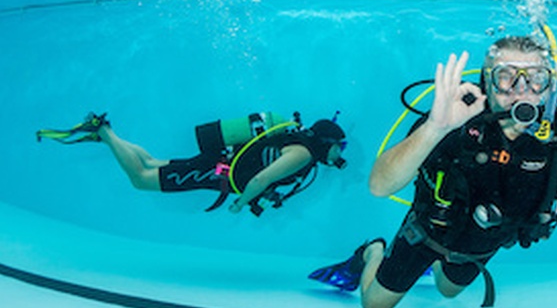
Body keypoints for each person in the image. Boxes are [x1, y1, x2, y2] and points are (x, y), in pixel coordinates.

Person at [309, 35, 557, 308]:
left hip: (485, 241)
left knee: (446, 291)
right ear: (486, 82)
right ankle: (374, 250)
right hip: (428, 232)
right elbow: (379, 185)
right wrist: (435, 127)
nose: (522, 91)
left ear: (550, 86)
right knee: (374, 307)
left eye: (536, 78)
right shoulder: (456, 117)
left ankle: (439, 267)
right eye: (506, 77)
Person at [37, 111, 347, 215]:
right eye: (339, 147)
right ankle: (103, 131)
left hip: (220, 164)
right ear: (325, 143)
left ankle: (106, 133)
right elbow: (259, 181)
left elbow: (262, 173)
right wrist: (240, 205)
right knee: (142, 178)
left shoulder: (298, 145)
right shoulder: (304, 154)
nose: (339, 154)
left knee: (152, 162)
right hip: (218, 171)